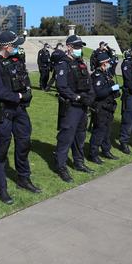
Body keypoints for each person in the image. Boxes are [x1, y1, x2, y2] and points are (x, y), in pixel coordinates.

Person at [0, 31, 40, 205]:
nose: (17, 48)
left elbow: (25, 81)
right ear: (7, 46)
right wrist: (20, 97)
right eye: (15, 45)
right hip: (4, 112)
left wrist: (27, 94)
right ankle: (1, 188)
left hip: (20, 111)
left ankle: (24, 178)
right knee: (1, 151)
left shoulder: (16, 60)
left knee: (24, 144)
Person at [54, 35, 95, 183]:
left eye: (80, 47)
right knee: (66, 137)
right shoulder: (63, 64)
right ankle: (61, 166)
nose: (79, 50)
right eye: (76, 47)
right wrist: (77, 98)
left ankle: (79, 162)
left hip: (83, 106)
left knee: (80, 136)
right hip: (71, 106)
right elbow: (62, 87)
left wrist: (90, 97)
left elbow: (89, 83)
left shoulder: (81, 63)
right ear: (69, 47)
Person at [87, 51, 120, 164]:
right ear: (103, 63)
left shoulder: (106, 74)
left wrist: (115, 91)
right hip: (100, 107)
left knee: (107, 131)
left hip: (109, 106)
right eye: (108, 62)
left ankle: (106, 150)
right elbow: (98, 93)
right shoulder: (97, 76)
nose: (109, 63)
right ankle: (93, 154)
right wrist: (111, 89)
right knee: (99, 131)